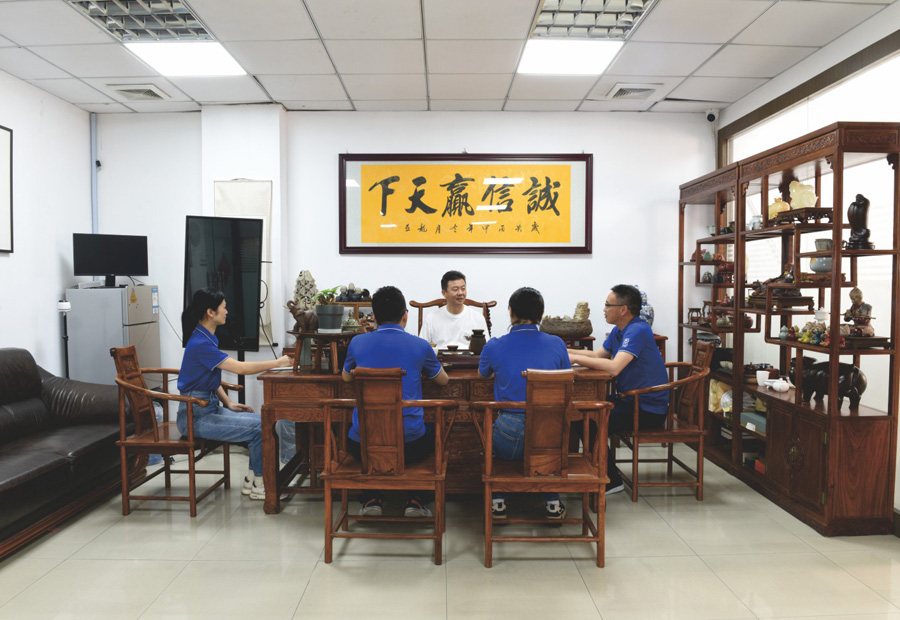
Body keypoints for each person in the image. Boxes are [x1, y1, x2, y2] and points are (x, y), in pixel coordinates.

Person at [342, 285, 449, 517]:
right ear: (405, 315)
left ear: (374, 317)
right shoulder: (420, 345)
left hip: (363, 446)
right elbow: (443, 381)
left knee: (359, 429)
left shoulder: (357, 343)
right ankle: (416, 499)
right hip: (410, 446)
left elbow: (346, 376)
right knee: (432, 431)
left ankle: (371, 498)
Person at [178, 288, 292, 500]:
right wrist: (277, 363)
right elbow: (240, 368)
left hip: (208, 408)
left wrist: (228, 402)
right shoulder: (201, 343)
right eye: (224, 307)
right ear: (210, 312)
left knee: (262, 421)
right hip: (195, 417)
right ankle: (260, 484)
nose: (227, 311)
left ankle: (252, 479)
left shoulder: (206, 337)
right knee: (259, 428)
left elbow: (209, 379)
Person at [478, 287, 570, 520]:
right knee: (544, 439)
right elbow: (565, 377)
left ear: (511, 312)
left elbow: (483, 374)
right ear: (541, 314)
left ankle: (498, 500)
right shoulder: (557, 344)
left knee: (492, 443)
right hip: (549, 435)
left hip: (508, 435)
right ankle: (552, 502)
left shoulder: (494, 345)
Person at [568, 284, 669, 495]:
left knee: (589, 420)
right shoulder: (619, 330)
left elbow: (614, 367)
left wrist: (575, 359)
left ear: (623, 309)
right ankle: (581, 471)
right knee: (579, 410)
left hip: (647, 407)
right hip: (629, 400)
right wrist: (563, 350)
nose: (604, 309)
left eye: (608, 305)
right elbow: (598, 355)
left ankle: (611, 480)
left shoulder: (638, 330)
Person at [420, 270, 489, 349]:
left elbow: (486, 349)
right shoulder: (431, 318)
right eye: (455, 289)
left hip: (469, 357)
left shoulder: (477, 318)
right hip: (440, 357)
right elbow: (422, 348)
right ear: (444, 293)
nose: (460, 293)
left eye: (463, 289)